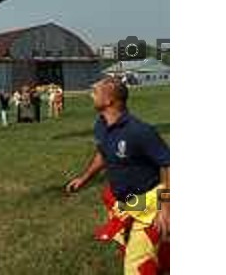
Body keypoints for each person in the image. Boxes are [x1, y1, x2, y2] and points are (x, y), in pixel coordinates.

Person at [65, 77, 170, 274]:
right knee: (127, 239)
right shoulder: (101, 125)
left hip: (150, 203)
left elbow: (168, 165)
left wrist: (166, 207)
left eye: (95, 92)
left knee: (136, 265)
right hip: (129, 202)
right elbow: (103, 153)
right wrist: (83, 178)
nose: (91, 94)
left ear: (110, 100)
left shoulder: (139, 131)